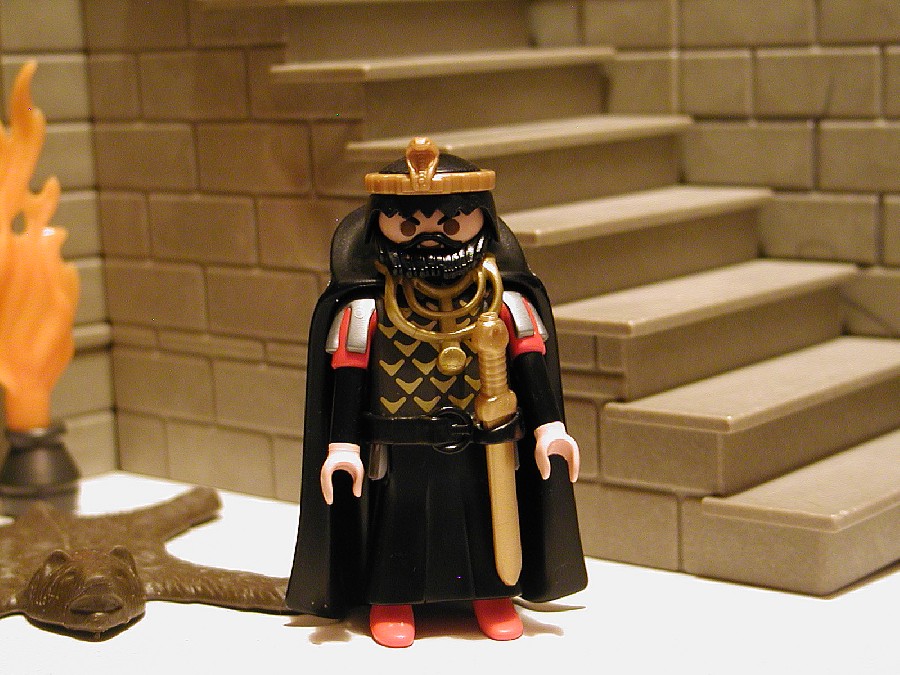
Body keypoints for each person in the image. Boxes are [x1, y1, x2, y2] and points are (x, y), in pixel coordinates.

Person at [286, 138, 586, 647]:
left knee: (487, 514)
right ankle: (392, 599)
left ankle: (491, 596)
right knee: (398, 518)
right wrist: (342, 447)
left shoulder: (505, 303)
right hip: (399, 445)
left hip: (485, 441)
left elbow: (530, 363)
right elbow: (349, 380)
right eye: (408, 226)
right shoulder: (365, 310)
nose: (429, 238)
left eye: (449, 224)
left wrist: (549, 429)